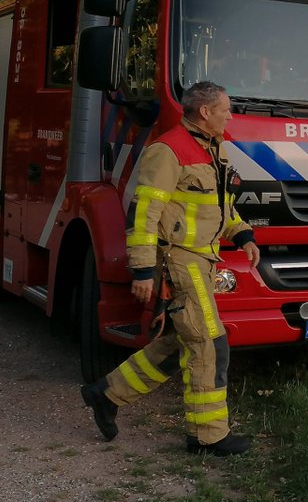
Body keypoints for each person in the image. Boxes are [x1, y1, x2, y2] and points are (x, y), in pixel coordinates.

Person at [80, 81, 260, 456]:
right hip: (181, 261)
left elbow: (220, 208)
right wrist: (143, 271)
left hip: (203, 261)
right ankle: (207, 436)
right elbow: (144, 214)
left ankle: (107, 394)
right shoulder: (168, 150)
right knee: (210, 344)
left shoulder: (215, 149)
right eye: (225, 109)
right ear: (205, 112)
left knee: (179, 342)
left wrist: (243, 235)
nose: (230, 115)